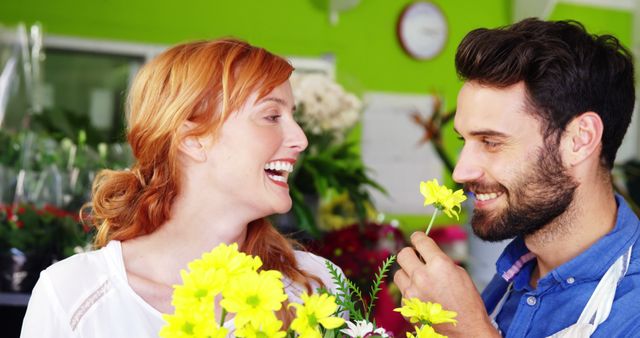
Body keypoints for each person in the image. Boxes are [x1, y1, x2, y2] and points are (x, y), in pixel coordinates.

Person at [20, 38, 341, 337]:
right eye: (272, 116)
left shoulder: (316, 284)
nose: (300, 139)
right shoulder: (72, 294)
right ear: (192, 140)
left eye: (292, 116)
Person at [394, 18, 640, 337]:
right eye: (463, 141)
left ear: (579, 139)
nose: (460, 172)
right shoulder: (513, 276)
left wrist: (470, 330)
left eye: (491, 142)